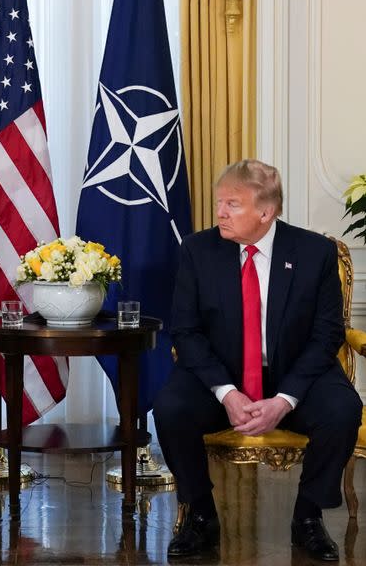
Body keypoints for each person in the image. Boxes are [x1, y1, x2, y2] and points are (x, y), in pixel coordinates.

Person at [153, 159, 362, 562]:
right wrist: (227, 393)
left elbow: (326, 337)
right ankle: (200, 515)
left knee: (342, 409)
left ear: (266, 212)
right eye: (219, 203)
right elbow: (186, 332)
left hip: (294, 370)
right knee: (171, 407)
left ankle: (307, 516)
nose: (219, 213)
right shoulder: (199, 249)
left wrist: (284, 400)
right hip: (221, 372)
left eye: (232, 204)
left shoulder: (314, 252)